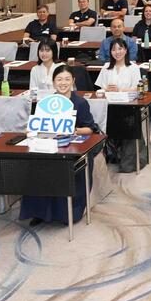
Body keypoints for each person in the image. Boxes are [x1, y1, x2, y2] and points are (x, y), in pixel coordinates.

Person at [19, 68, 100, 226]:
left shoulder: (80, 103)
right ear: (54, 82)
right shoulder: (47, 102)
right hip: (49, 145)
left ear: (73, 81)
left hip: (74, 147)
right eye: (59, 79)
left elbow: (90, 129)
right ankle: (39, 212)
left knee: (65, 169)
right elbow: (39, 125)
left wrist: (73, 130)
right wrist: (31, 129)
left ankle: (66, 214)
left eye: (67, 79)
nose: (63, 83)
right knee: (35, 166)